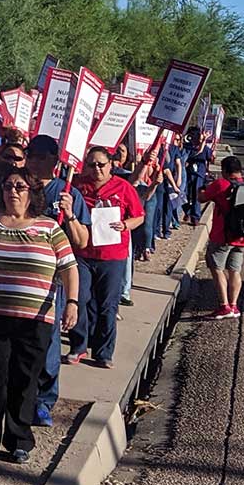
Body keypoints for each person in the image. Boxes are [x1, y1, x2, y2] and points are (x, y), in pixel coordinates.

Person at [0, 170, 79, 467]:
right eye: (7, 185)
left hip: (36, 319)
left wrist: (72, 303)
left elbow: (69, 267)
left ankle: (19, 439)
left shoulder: (48, 228)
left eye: (19, 186)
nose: (12, 192)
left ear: (32, 192)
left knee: (25, 380)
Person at [25, 136, 90, 427]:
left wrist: (71, 214)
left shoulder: (67, 192)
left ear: (55, 160)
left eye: (42, 156)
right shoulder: (16, 188)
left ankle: (43, 401)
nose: (35, 161)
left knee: (49, 347)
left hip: (53, 282)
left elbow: (82, 242)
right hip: (20, 279)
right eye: (31, 155)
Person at [72, 146, 144, 369]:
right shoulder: (77, 185)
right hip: (83, 253)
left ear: (111, 164)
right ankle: (78, 346)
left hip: (112, 255)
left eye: (101, 164)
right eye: (92, 165)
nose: (97, 169)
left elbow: (139, 216)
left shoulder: (123, 187)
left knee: (107, 305)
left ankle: (103, 352)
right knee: (80, 299)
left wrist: (125, 225)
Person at [198, 155, 244, 321]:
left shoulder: (221, 184)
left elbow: (202, 198)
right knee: (235, 270)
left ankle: (224, 306)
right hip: (242, 236)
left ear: (224, 171)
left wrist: (202, 188)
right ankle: (234, 306)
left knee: (216, 268)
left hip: (223, 235)